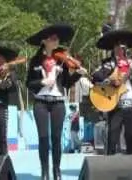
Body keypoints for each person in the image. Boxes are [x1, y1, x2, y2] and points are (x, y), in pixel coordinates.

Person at [26, 24, 87, 180]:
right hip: (40, 102)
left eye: (57, 39)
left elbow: (66, 83)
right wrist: (43, 82)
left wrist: (78, 74)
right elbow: (29, 84)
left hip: (58, 102)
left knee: (57, 138)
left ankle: (57, 171)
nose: (57, 41)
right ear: (45, 41)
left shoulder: (62, 59)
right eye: (53, 39)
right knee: (43, 138)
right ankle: (45, 172)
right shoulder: (35, 60)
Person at [91, 30, 132, 155]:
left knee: (131, 137)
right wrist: (110, 79)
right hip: (115, 105)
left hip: (131, 104)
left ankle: (131, 165)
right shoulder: (108, 63)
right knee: (112, 137)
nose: (121, 48)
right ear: (114, 48)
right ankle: (110, 165)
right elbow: (95, 75)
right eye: (118, 45)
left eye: (123, 45)